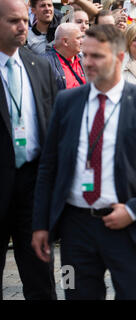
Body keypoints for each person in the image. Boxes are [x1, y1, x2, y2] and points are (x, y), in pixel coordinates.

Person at [31, 24, 136, 300]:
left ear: (119, 58)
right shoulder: (66, 102)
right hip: (75, 230)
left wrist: (133, 210)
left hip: (126, 227)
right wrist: (40, 225)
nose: (88, 62)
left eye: (97, 56)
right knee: (74, 293)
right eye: (85, 55)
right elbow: (48, 167)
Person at [0, 0, 58, 300]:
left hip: (33, 190)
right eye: (13, 21)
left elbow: (51, 126)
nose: (23, 26)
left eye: (25, 19)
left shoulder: (39, 66)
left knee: (40, 279)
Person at [42, 23, 85, 90]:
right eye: (78, 38)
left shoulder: (84, 59)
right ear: (65, 42)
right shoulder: (45, 63)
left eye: (82, 37)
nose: (82, 41)